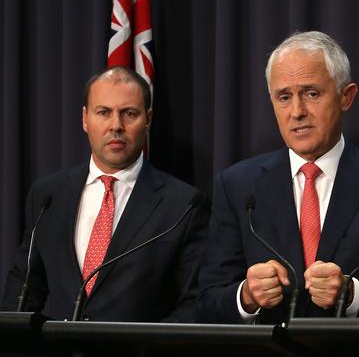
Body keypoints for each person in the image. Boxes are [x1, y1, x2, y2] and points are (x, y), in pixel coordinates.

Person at [198, 31, 359, 324]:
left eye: (311, 93)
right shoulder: (237, 186)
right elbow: (207, 302)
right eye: (284, 97)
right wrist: (246, 296)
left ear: (346, 97)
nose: (297, 112)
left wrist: (352, 294)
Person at [1, 66, 209, 322]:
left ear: (149, 119)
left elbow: (195, 302)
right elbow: (24, 287)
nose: (116, 126)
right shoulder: (48, 195)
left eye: (129, 113)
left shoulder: (184, 204)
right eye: (104, 112)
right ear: (85, 119)